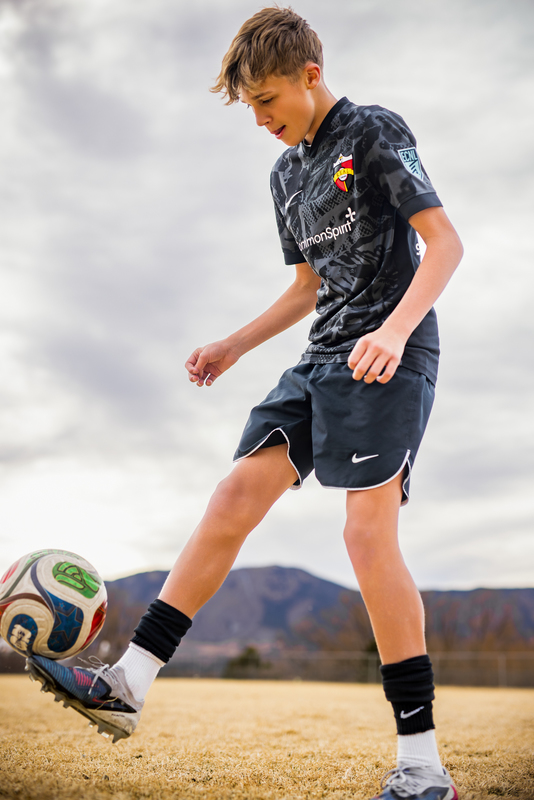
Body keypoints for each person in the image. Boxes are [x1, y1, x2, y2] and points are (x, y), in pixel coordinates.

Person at [27, 7, 462, 800]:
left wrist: (396, 333)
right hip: (322, 356)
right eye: (250, 107)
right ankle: (129, 682)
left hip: (388, 358)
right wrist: (233, 344)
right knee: (233, 494)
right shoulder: (284, 174)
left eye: (267, 100)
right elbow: (306, 287)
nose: (260, 118)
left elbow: (446, 243)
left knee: (366, 537)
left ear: (309, 74)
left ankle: (423, 762)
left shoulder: (370, 131)